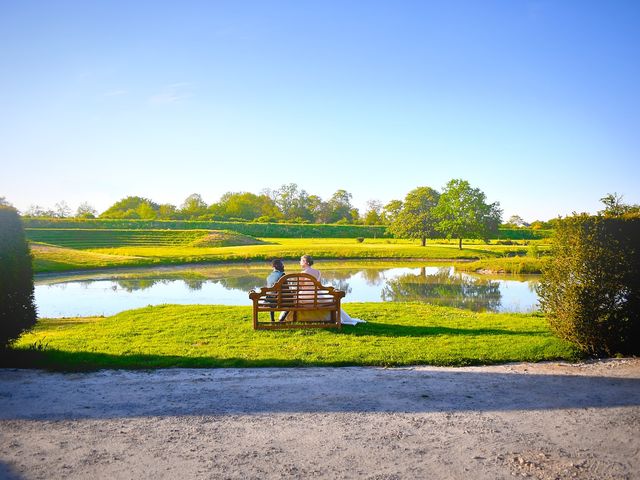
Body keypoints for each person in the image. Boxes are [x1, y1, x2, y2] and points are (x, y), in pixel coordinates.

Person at [299, 254, 366, 326]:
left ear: (305, 262)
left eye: (301, 261)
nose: (300, 262)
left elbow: (301, 286)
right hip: (317, 295)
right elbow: (319, 285)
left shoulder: (303, 273)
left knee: (297, 298)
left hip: (306, 296)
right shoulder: (318, 272)